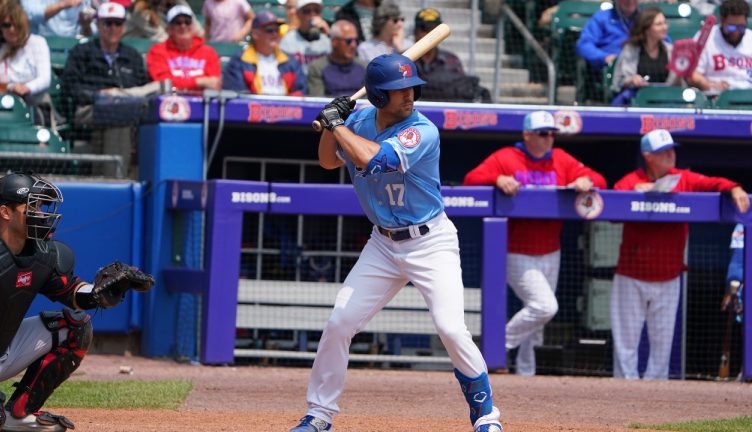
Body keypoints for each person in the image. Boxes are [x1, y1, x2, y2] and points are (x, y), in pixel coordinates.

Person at [289, 53, 503, 432]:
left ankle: (486, 416)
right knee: (340, 322)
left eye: (410, 89)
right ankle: (319, 415)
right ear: (377, 96)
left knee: (451, 328)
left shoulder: (422, 130)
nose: (408, 96)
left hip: (430, 241)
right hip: (383, 244)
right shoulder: (356, 121)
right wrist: (330, 126)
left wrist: (337, 124)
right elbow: (327, 162)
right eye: (397, 91)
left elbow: (374, 161)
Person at [0, 170, 154, 432]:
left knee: (76, 326)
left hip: (0, 353)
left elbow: (71, 291)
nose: (41, 213)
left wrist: (97, 293)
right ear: (5, 213)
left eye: (41, 206)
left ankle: (19, 413)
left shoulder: (42, 254)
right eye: (32, 206)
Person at [462, 111, 607, 376]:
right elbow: (470, 179)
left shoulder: (561, 160)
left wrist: (586, 181)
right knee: (545, 306)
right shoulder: (506, 157)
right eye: (543, 133)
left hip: (552, 250)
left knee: (538, 323)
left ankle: (527, 375)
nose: (549, 138)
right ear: (527, 135)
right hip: (517, 251)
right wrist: (497, 179)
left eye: (552, 133)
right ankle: (493, 349)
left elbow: (600, 180)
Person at [611, 129, 750, 380]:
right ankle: (624, 390)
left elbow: (712, 183)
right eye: (663, 152)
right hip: (631, 275)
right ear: (648, 156)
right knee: (626, 340)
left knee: (662, 343)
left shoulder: (682, 178)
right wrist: (636, 191)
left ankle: (654, 395)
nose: (670, 155)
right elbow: (610, 206)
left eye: (671, 150)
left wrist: (735, 188)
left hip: (669, 276)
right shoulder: (631, 180)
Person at [60, 1, 151, 176]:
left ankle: (112, 177)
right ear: (98, 24)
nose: (113, 28)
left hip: (126, 111)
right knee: (118, 118)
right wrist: (97, 96)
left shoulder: (132, 56)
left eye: (118, 23)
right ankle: (115, 179)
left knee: (122, 116)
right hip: (90, 108)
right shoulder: (82, 52)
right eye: (108, 23)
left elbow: (142, 87)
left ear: (124, 26)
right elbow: (69, 87)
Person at [0, 1, 52, 123]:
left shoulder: (38, 43)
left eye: (16, 25)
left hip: (31, 101)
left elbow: (45, 78)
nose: (12, 29)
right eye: (6, 25)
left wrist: (27, 87)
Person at [412, 7, 490, 103]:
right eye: (425, 28)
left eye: (435, 30)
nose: (430, 34)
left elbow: (461, 90)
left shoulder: (451, 60)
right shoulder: (403, 60)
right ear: (415, 32)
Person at [223, 10, 305, 95]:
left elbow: (300, 91)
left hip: (287, 107)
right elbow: (239, 98)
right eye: (269, 30)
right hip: (254, 107)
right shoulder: (239, 62)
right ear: (255, 34)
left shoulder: (290, 61)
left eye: (277, 30)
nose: (275, 34)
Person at [611, 7, 681, 105]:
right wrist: (633, 80)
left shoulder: (670, 49)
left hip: (665, 101)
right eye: (659, 24)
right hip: (637, 100)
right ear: (647, 29)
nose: (664, 27)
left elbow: (674, 85)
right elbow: (620, 81)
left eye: (665, 23)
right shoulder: (631, 49)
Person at [146, 4, 222, 91]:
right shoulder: (158, 51)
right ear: (169, 29)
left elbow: (214, 83)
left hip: (201, 102)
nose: (183, 26)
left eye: (187, 22)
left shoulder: (208, 52)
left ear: (193, 27)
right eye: (177, 23)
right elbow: (163, 83)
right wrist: (198, 82)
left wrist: (180, 82)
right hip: (169, 101)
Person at [688, 0, 752, 94]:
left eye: (740, 27)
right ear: (722, 20)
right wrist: (709, 85)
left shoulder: (750, 38)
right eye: (731, 27)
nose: (736, 32)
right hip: (715, 97)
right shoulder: (705, 37)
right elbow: (692, 74)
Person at [306, 19, 365, 97]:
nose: (353, 45)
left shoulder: (365, 67)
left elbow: (368, 101)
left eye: (356, 41)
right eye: (349, 41)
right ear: (334, 42)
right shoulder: (317, 68)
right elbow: (317, 101)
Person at [577, 0, 640, 72]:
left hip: (638, 67)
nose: (630, 1)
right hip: (610, 69)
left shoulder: (643, 19)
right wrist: (604, 57)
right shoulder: (602, 18)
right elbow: (584, 45)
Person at [280, 0, 331, 75]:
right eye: (307, 11)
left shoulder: (327, 40)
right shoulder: (288, 41)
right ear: (298, 14)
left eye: (317, 11)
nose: (312, 15)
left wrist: (329, 35)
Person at [125, 0, 205, 41]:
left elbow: (198, 32)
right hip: (135, 54)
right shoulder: (141, 9)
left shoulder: (178, 2)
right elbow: (162, 39)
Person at [21, 0, 94, 37]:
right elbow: (29, 16)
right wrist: (62, 5)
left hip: (74, 49)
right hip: (40, 46)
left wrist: (86, 25)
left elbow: (89, 33)